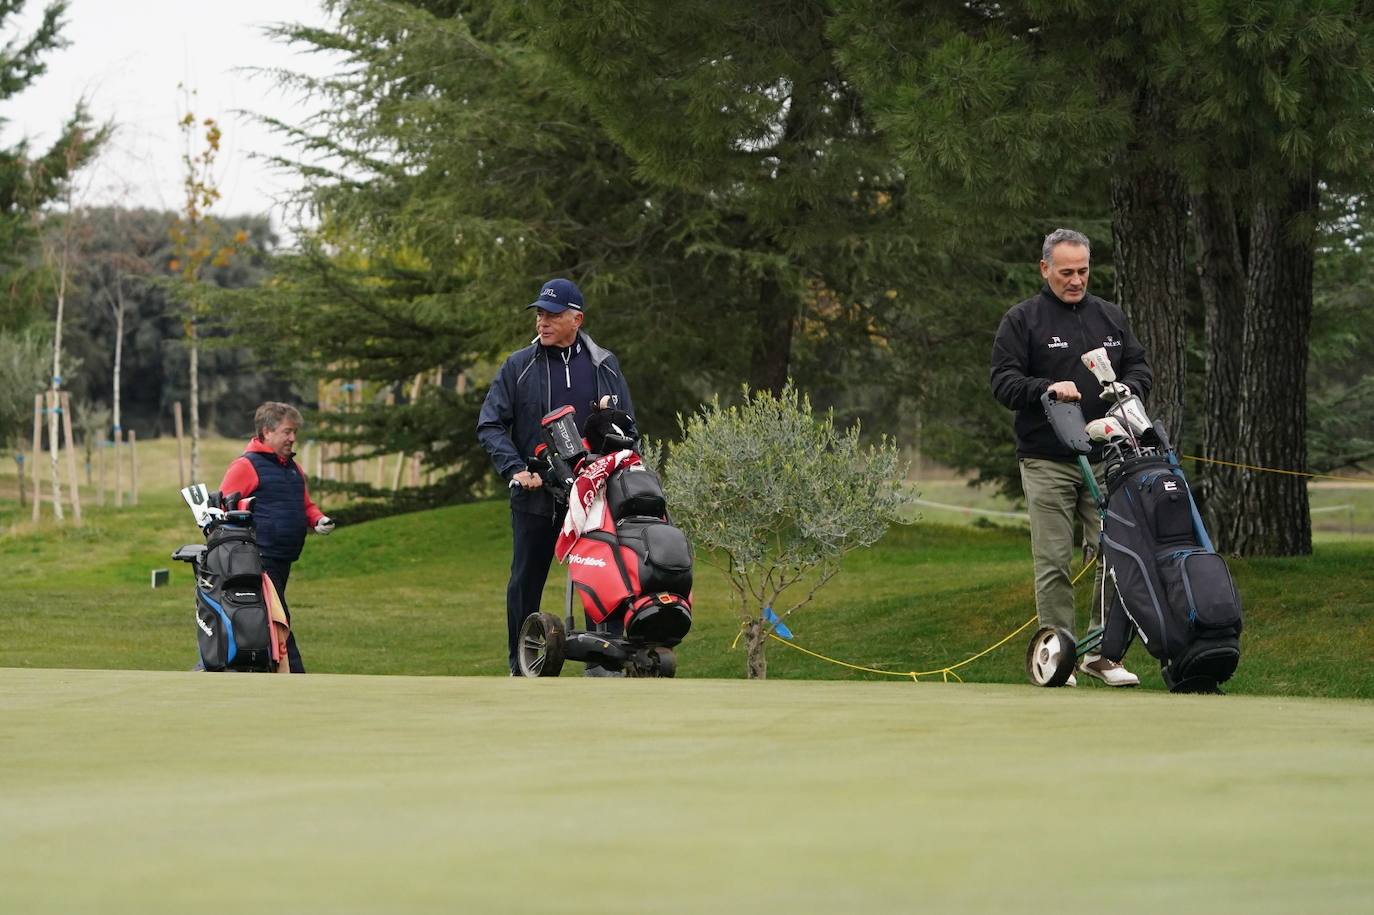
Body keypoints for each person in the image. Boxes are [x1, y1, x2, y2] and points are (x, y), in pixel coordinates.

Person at [991, 228, 1153, 687]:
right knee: (1054, 561)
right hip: (1047, 459)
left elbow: (1139, 367)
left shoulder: (1110, 316)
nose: (1076, 280)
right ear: (1045, 269)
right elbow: (1003, 382)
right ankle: (1059, 657)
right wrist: (1046, 387)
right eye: (1066, 272)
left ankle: (1102, 653)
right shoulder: (1022, 319)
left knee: (1117, 554)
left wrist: (1128, 388)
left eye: (1083, 271)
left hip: (1106, 457)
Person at [477, 277, 635, 675]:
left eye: (552, 315)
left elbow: (628, 428)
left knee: (601, 579)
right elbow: (490, 424)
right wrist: (515, 468)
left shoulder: (604, 364)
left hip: (594, 497)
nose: (542, 322)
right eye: (539, 315)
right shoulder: (518, 365)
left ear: (576, 319)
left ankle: (603, 666)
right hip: (536, 495)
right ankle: (522, 664)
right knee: (524, 583)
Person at [219, 401, 334, 673]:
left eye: (294, 432)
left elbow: (305, 505)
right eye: (287, 431)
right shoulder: (246, 466)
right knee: (278, 616)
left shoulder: (293, 469)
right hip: (258, 556)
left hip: (283, 557)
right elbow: (223, 506)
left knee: (269, 618)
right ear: (267, 431)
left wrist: (318, 519)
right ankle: (294, 673)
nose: (293, 438)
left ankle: (258, 668)